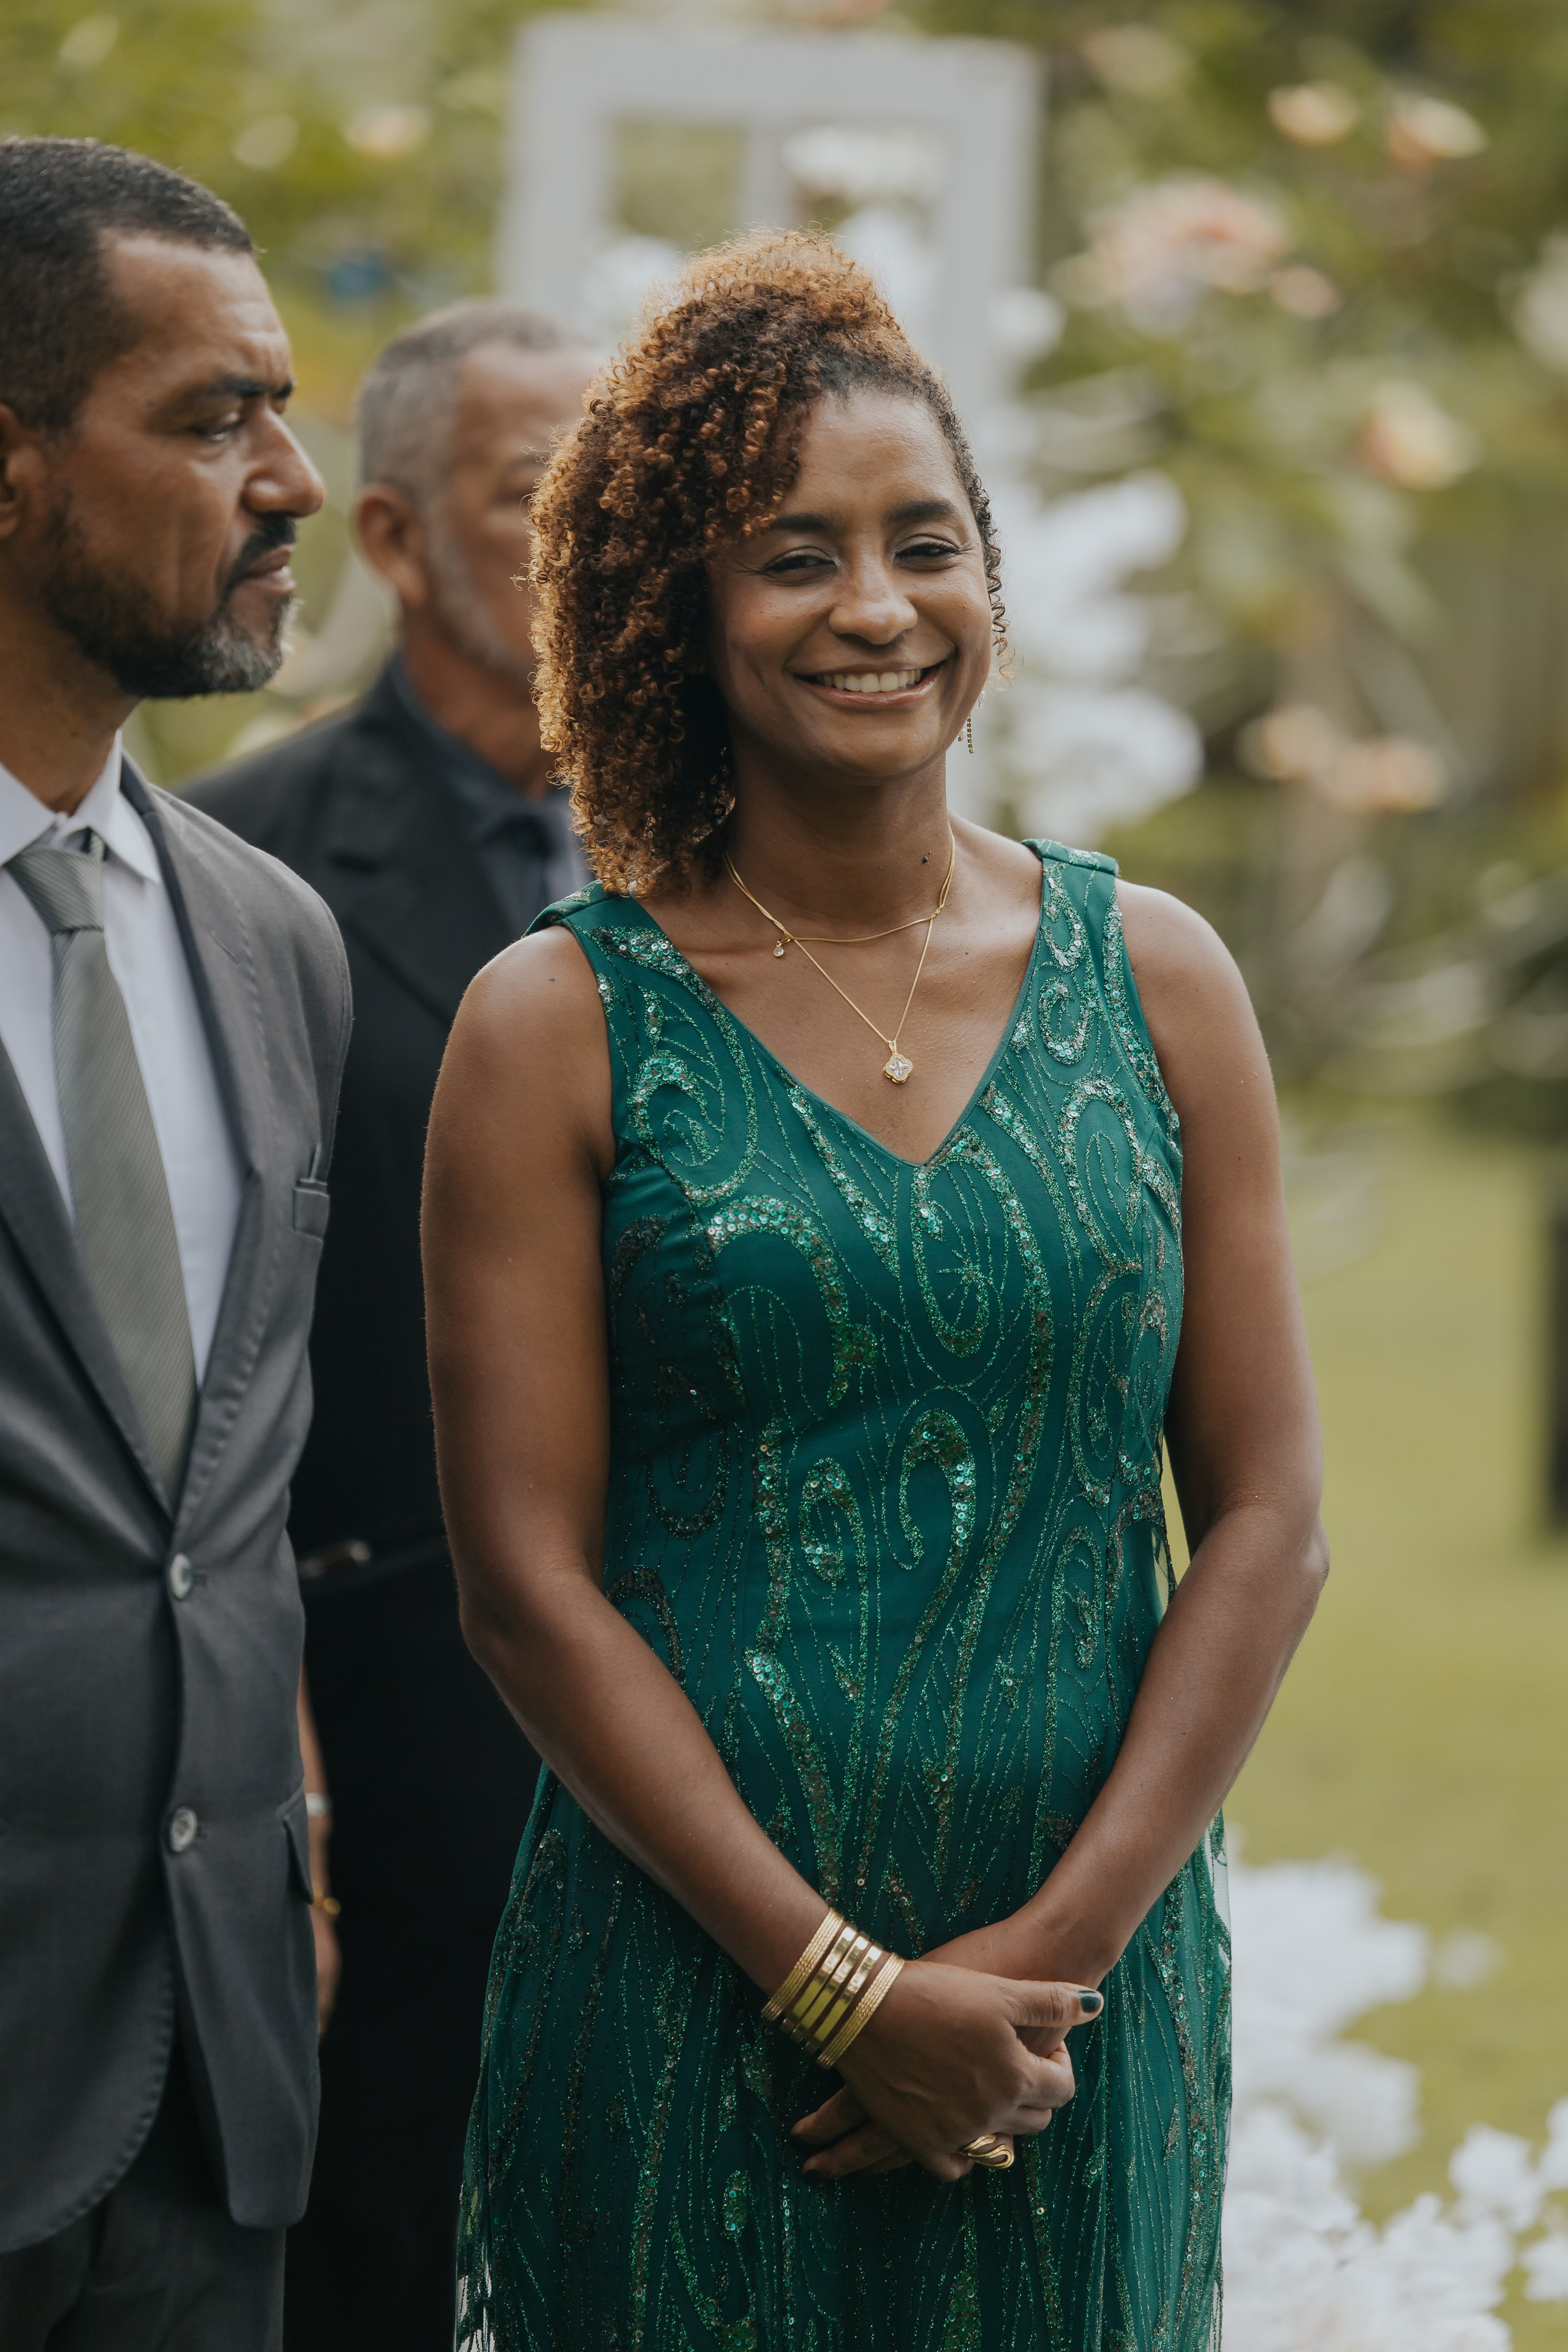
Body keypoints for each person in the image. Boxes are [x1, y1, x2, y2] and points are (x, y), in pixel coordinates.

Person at [423, 233, 1329, 2351]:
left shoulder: (1163, 981)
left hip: (1076, 2028)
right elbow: (527, 1588)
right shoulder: (554, 1025)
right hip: (686, 1995)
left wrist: (1034, 1982)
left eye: (925, 544)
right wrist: (844, 1985)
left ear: (988, 585)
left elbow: (1270, 1521)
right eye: (792, 556)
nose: (874, 607)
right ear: (678, 611)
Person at [188, 302, 594, 2352]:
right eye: (543, 499)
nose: (606, 539)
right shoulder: (239, 871)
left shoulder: (772, 841)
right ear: (398, 541)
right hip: (396, 1730)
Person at [0, 138, 349, 2351]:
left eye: (284, 410)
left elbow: (228, 1501)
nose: (291, 478)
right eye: (213, 419)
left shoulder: (270, 942)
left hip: (211, 2110)